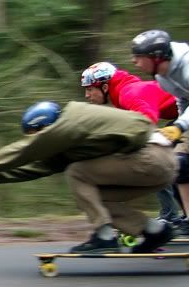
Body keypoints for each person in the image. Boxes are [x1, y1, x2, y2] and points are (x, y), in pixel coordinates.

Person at [0, 101, 176, 254]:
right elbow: (36, 167)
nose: (41, 140)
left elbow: (27, 150)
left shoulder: (70, 121)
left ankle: (104, 237)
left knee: (77, 173)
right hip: (159, 167)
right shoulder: (72, 141)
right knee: (92, 196)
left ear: (45, 127)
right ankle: (155, 231)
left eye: (38, 135)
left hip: (151, 157)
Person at [80, 61, 187, 231]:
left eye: (89, 89)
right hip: (181, 116)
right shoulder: (124, 92)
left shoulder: (128, 93)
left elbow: (146, 124)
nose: (87, 95)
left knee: (160, 159)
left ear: (105, 87)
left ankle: (175, 216)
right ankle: (172, 215)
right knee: (161, 158)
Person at [130, 29, 189, 234]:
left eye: (138, 56)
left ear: (156, 57)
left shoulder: (187, 65)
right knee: (180, 163)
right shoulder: (162, 76)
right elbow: (183, 98)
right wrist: (181, 128)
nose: (134, 61)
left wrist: (180, 126)